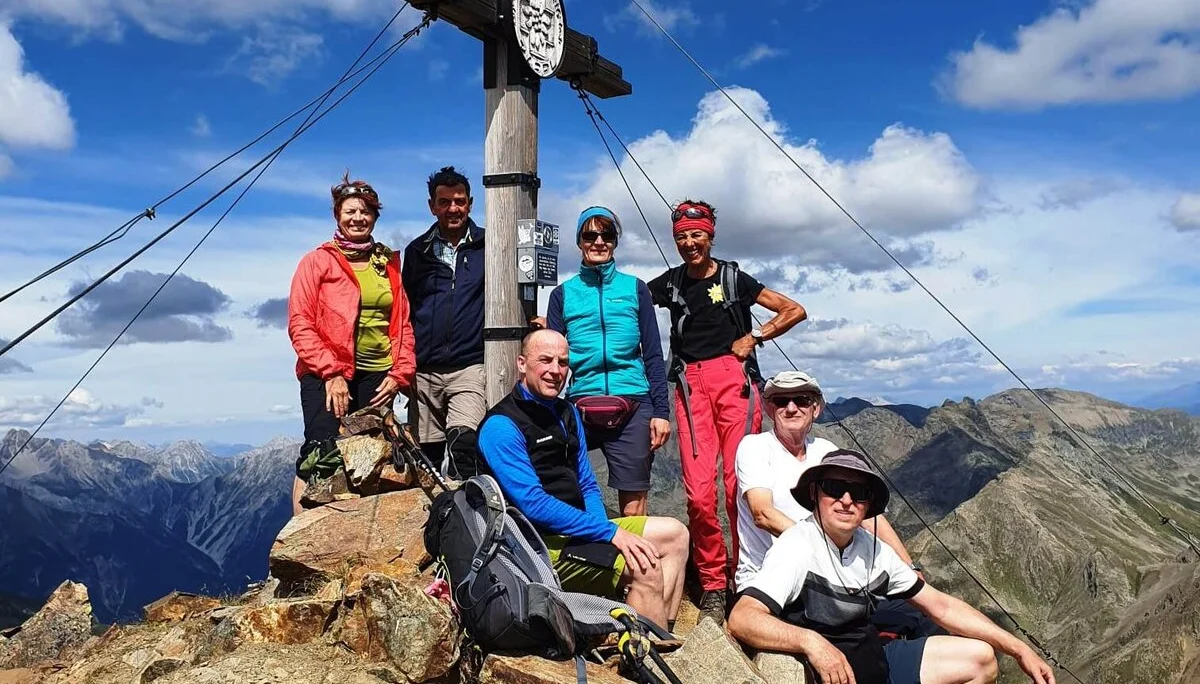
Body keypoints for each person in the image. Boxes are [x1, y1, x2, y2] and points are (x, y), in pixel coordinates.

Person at [728, 450, 1056, 684]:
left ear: (868, 505)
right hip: (830, 673)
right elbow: (744, 618)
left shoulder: (874, 551)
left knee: (981, 660)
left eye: (858, 492)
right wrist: (812, 643)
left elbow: (940, 606)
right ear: (815, 494)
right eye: (833, 488)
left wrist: (1017, 648)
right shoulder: (798, 544)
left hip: (878, 663)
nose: (845, 499)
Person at [647, 198, 807, 623]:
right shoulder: (671, 283)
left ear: (710, 235)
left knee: (742, 488)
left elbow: (793, 309)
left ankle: (747, 578)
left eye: (696, 234)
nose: (689, 243)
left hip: (735, 383)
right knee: (700, 495)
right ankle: (715, 584)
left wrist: (755, 337)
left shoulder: (735, 278)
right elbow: (630, 305)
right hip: (688, 385)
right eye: (681, 236)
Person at [477, 329, 689, 629]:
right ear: (522, 363)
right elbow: (533, 504)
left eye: (563, 362)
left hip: (577, 532)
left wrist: (600, 533)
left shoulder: (567, 412)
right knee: (646, 566)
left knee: (676, 535)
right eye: (545, 360)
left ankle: (661, 633)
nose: (556, 370)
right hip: (539, 545)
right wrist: (609, 536)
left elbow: (587, 483)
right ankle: (646, 655)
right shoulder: (501, 426)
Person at [288, 176, 416, 515]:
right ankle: (298, 546)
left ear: (375, 217)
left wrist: (400, 374)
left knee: (373, 458)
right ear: (337, 215)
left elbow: (401, 324)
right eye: (350, 211)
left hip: (377, 375)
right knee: (321, 453)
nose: (357, 217)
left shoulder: (386, 263)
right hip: (326, 375)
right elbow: (300, 323)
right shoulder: (316, 262)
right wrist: (331, 373)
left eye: (365, 212)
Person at [735, 370, 917, 591]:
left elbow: (868, 517)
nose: (791, 408)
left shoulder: (826, 451)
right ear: (770, 409)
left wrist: (908, 567)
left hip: (826, 580)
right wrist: (829, 553)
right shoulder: (755, 447)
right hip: (770, 578)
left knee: (914, 617)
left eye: (802, 400)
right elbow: (762, 514)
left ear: (816, 409)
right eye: (782, 401)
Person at [545, 206, 671, 517]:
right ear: (579, 242)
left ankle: (634, 564)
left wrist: (661, 413)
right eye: (590, 235)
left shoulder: (635, 288)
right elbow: (553, 358)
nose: (599, 241)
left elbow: (654, 353)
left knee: (633, 510)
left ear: (615, 242)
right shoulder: (563, 295)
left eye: (607, 235)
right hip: (580, 405)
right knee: (565, 495)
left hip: (633, 404)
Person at [402, 166, 486, 479]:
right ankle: (442, 522)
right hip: (424, 371)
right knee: (428, 458)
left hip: (469, 366)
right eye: (444, 202)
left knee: (465, 443)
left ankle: (476, 519)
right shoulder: (417, 251)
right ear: (432, 206)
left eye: (460, 201)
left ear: (470, 203)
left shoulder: (489, 246)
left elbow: (508, 293)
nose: (453, 208)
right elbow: (405, 310)